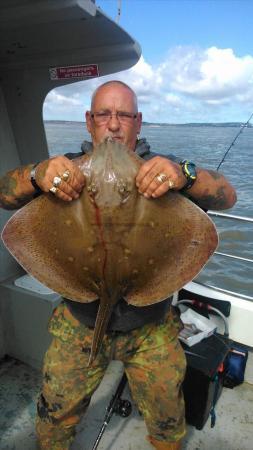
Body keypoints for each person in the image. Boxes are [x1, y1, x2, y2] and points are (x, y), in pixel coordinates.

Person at [0, 81, 237, 450]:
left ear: (138, 122)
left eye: (123, 115)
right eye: (103, 114)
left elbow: (228, 196)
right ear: (89, 121)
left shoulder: (165, 171)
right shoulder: (60, 169)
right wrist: (35, 175)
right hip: (80, 323)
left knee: (167, 423)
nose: (113, 125)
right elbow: (4, 194)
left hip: (151, 327)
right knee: (54, 420)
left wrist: (184, 174)